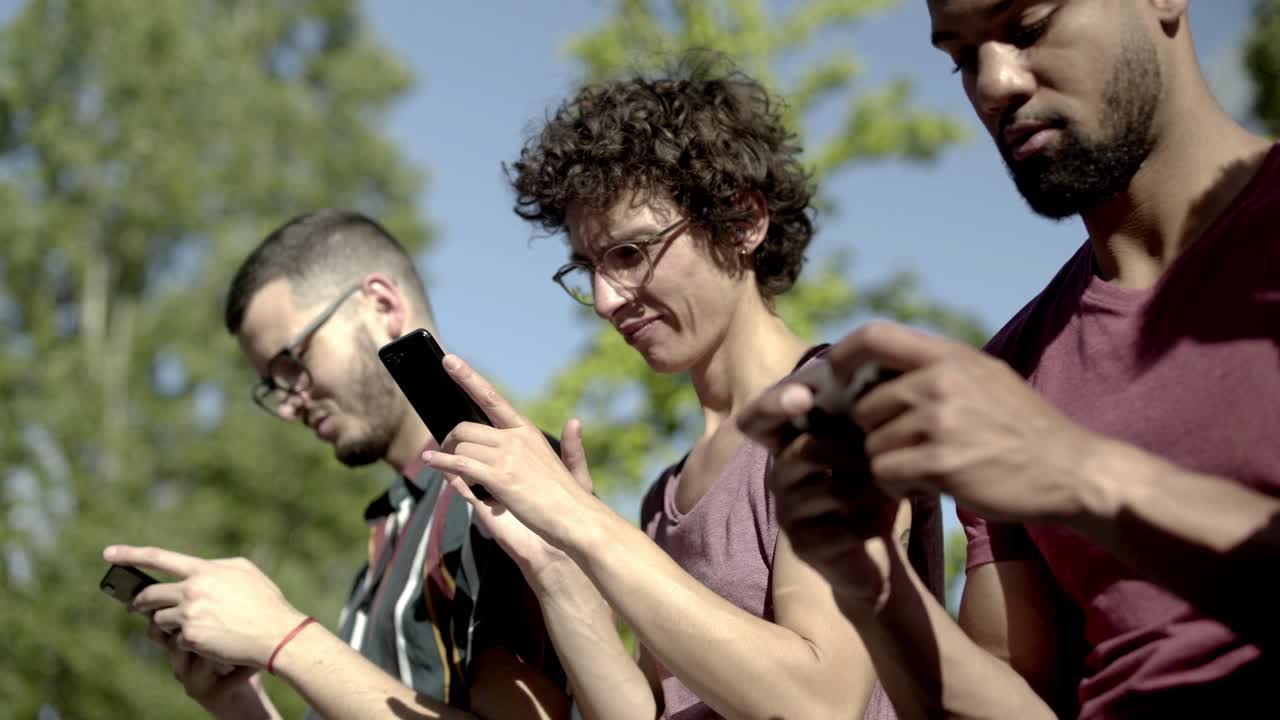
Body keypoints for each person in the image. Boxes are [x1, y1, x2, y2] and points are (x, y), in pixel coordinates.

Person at [738, 1, 1280, 718]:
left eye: (1027, 28)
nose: (993, 85)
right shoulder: (1018, 365)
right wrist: (868, 577)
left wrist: (1077, 470)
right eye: (962, 57)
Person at [418, 56, 945, 720]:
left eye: (632, 253)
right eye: (588, 267)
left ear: (745, 221)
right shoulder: (664, 495)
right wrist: (559, 566)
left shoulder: (839, 408)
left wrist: (586, 521)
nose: (607, 299)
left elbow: (820, 701)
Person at [104, 210, 570, 719]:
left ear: (381, 305)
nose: (288, 405)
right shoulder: (395, 529)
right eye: (273, 387)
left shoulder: (506, 487)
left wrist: (284, 638)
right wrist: (239, 705)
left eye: (291, 366)